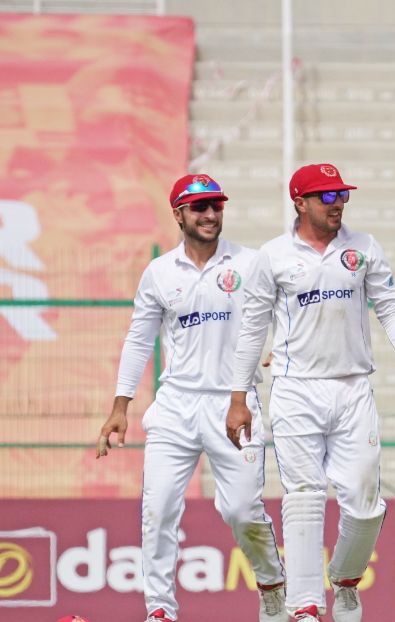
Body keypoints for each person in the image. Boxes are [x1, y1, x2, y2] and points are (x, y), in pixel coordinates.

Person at [226, 163, 395, 622]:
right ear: (300, 202)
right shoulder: (272, 256)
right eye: (327, 197)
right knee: (304, 495)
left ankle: (346, 580)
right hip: (296, 389)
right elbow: (253, 330)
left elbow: (388, 304)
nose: (338, 205)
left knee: (366, 503)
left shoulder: (363, 247)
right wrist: (238, 398)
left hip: (353, 388)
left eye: (342, 197)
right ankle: (304, 606)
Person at [96, 174, 286, 622]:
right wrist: (120, 408)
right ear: (178, 214)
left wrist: (284, 343)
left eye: (216, 206)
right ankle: (160, 610)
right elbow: (139, 340)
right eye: (199, 207)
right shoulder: (160, 272)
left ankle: (272, 581)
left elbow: (286, 310)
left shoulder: (250, 262)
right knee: (158, 508)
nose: (210, 215)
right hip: (177, 405)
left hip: (233, 403)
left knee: (241, 510)